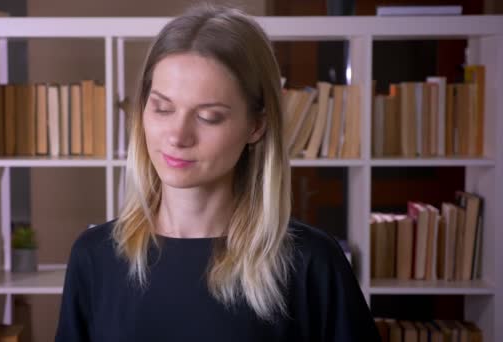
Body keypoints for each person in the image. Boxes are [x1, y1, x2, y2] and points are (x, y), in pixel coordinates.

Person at [55, 4, 380, 341]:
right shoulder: (94, 257)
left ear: (256, 126)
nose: (178, 136)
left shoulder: (313, 263)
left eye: (209, 116)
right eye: (162, 108)